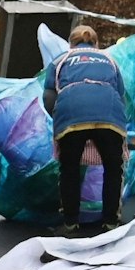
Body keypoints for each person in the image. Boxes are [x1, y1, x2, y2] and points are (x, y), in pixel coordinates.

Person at [41, 25, 129, 233]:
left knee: (69, 168)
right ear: (96, 43)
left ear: (71, 44)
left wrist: (57, 116)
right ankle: (111, 221)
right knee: (113, 168)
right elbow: (121, 95)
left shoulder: (60, 60)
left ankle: (70, 222)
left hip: (71, 114)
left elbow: (48, 96)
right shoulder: (110, 60)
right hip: (109, 114)